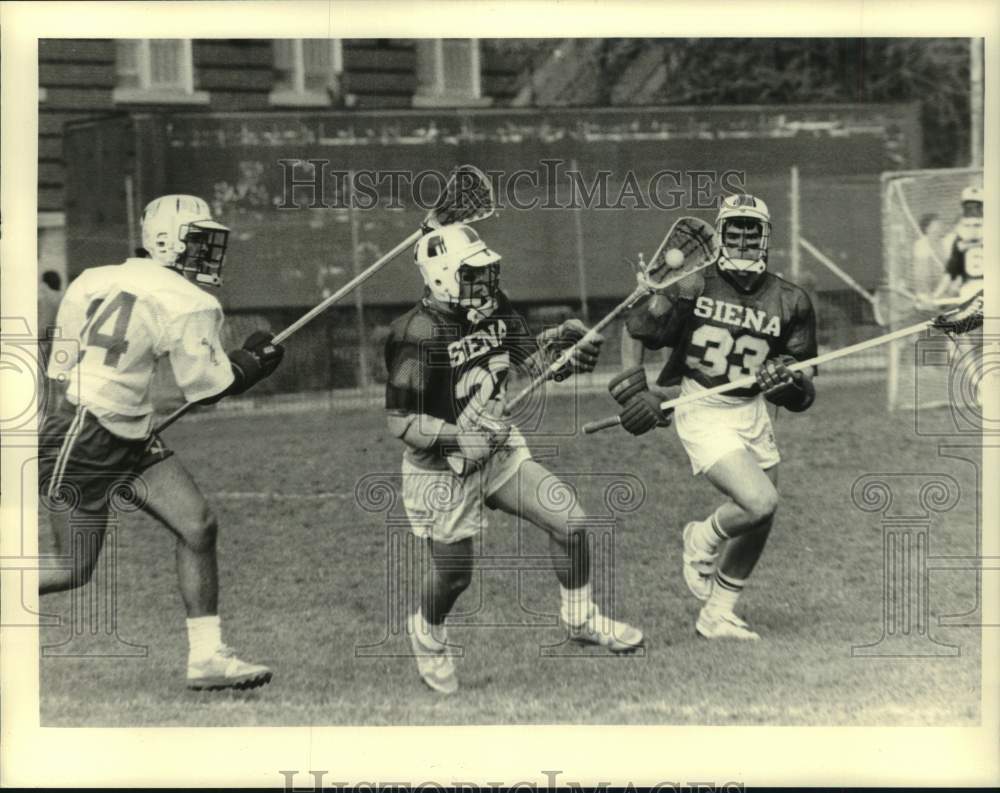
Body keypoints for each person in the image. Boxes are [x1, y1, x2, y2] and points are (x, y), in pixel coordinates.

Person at [385, 222, 644, 694]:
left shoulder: (495, 308)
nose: (485, 284)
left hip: (499, 450)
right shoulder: (416, 332)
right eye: (471, 274)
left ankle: (580, 618)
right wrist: (457, 439)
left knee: (572, 524)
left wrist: (564, 349)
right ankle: (427, 631)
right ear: (440, 276)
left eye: (487, 272)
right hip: (441, 470)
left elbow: (533, 362)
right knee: (455, 577)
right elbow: (402, 422)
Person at [40, 195, 284, 690]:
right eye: (200, 240)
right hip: (88, 434)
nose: (210, 251)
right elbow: (210, 389)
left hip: (113, 424)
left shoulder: (91, 278)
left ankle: (207, 659)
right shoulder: (191, 300)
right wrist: (250, 365)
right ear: (166, 243)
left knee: (197, 525)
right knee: (72, 568)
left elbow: (59, 366)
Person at [612, 194, 817, 640]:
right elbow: (636, 328)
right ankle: (700, 537)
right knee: (760, 501)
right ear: (721, 235)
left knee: (762, 517)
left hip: (753, 411)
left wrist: (787, 384)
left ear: (765, 238)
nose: (743, 240)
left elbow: (804, 395)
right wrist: (635, 385)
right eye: (735, 231)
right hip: (703, 407)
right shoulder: (694, 285)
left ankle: (717, 614)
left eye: (752, 232)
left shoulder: (791, 299)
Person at [931, 186, 984, 303]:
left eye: (977, 207)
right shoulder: (960, 238)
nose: (972, 211)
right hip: (969, 290)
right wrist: (936, 296)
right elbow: (951, 271)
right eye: (968, 207)